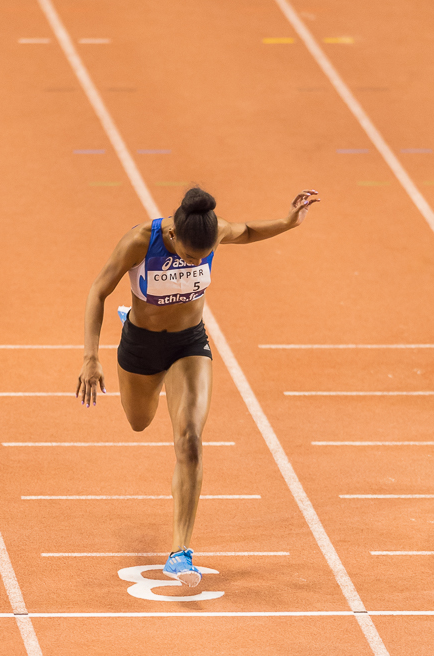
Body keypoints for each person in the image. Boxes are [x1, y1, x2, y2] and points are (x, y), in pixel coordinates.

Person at [77, 186, 320, 587]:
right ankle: (130, 320)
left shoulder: (213, 231)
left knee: (189, 440)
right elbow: (97, 290)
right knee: (139, 422)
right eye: (189, 257)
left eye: (200, 259)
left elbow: (246, 231)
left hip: (189, 343)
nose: (194, 262)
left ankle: (180, 552)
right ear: (173, 238)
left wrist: (288, 222)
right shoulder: (141, 240)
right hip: (141, 344)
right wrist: (90, 357)